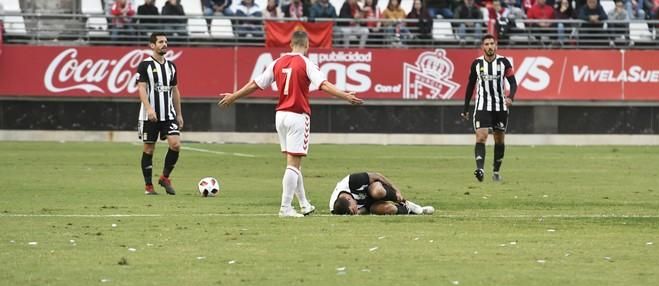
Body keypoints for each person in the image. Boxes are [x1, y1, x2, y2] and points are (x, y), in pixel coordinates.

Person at [218, 30, 364, 218]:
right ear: (307, 45)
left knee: (293, 163)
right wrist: (345, 95)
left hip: (281, 116)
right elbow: (324, 85)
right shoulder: (306, 63)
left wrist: (234, 96)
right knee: (293, 165)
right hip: (297, 115)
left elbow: (256, 83)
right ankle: (285, 207)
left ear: (290, 44)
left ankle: (304, 204)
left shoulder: (277, 62)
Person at [460, 34, 517, 182]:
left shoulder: (504, 62)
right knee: (481, 136)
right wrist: (466, 108)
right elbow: (470, 85)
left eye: (492, 43)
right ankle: (480, 169)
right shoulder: (476, 64)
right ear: (482, 47)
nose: (490, 46)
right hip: (482, 106)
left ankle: (496, 171)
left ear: (496, 45)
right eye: (487, 44)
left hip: (500, 107)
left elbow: (513, 83)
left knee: (499, 139)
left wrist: (511, 97)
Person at [135, 32, 184, 195]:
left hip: (168, 114)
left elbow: (175, 90)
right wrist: (149, 108)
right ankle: (149, 186)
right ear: (152, 46)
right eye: (161, 42)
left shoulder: (171, 66)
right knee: (149, 149)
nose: (164, 44)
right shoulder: (144, 65)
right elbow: (141, 88)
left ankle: (164, 177)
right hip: (149, 115)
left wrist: (179, 114)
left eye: (166, 41)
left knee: (175, 144)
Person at [329, 172, 435, 215]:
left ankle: (404, 201)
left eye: (353, 208)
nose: (355, 210)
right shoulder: (336, 209)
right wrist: (360, 212)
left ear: (348, 199)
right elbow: (363, 211)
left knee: (378, 192)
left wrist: (396, 190)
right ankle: (410, 209)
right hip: (368, 204)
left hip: (371, 190)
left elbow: (377, 176)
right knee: (390, 209)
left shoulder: (353, 181)